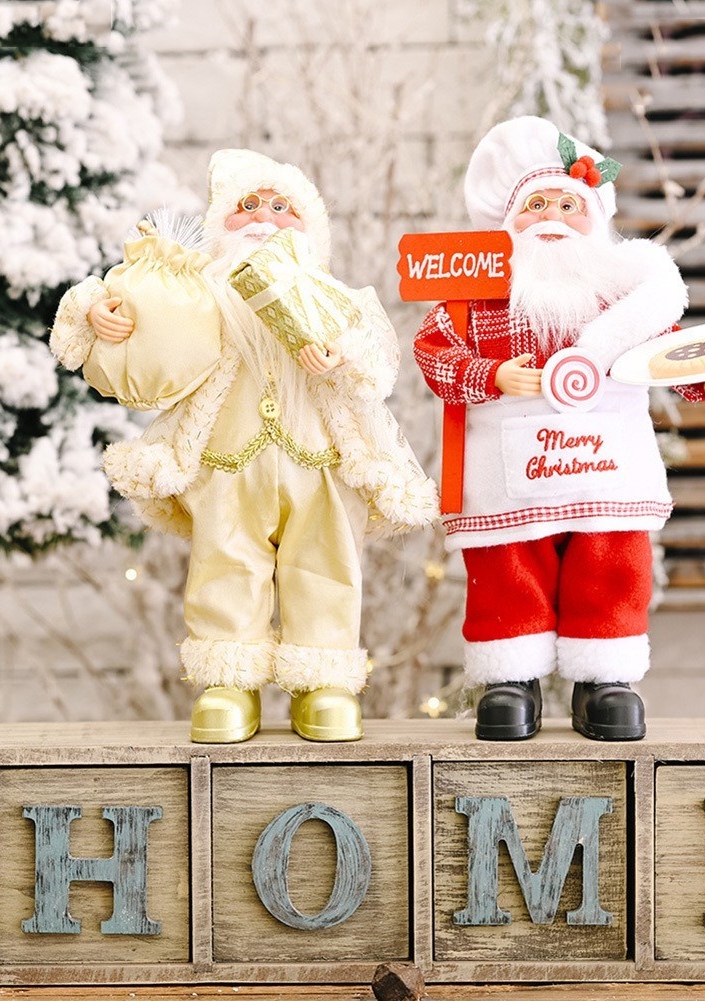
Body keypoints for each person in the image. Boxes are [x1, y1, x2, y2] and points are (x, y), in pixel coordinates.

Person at [51, 148, 437, 744]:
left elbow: (379, 361)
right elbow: (146, 314)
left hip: (322, 460)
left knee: (326, 564)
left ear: (310, 228)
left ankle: (323, 679)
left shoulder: (334, 297)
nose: (263, 217)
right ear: (218, 224)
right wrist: (101, 314)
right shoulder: (198, 294)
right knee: (225, 561)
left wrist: (342, 354)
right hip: (227, 458)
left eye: (282, 208)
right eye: (248, 205)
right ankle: (229, 681)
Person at [413, 117, 705, 742]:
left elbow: (667, 353)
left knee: (611, 567)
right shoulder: (478, 300)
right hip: (508, 478)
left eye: (569, 206)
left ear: (594, 218)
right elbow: (433, 352)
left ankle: (605, 679)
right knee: (507, 573)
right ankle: (511, 678)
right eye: (536, 205)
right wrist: (489, 374)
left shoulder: (620, 300)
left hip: (607, 475)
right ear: (507, 221)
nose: (553, 218)